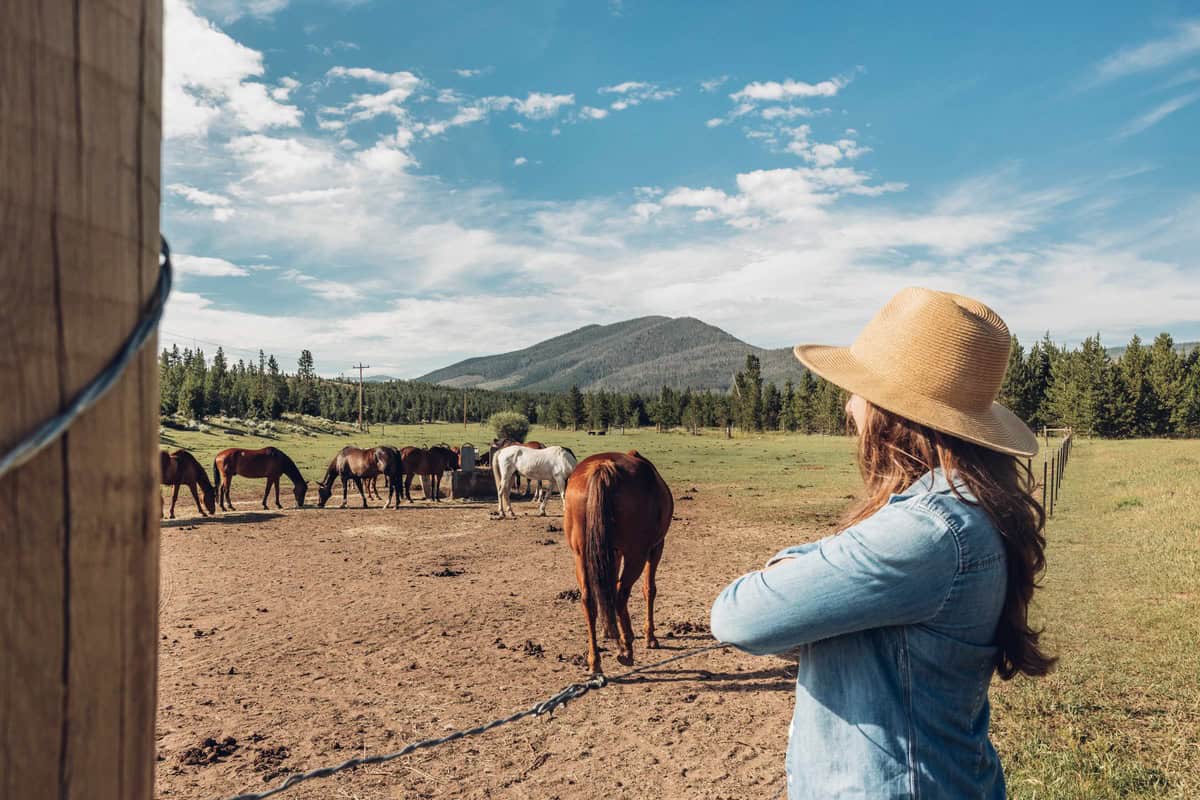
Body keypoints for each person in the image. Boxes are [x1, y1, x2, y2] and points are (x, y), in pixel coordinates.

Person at [710, 287, 1054, 799]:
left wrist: (795, 562)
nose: (850, 406)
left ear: (892, 413)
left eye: (858, 389)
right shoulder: (968, 507)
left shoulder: (927, 531)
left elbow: (736, 615)